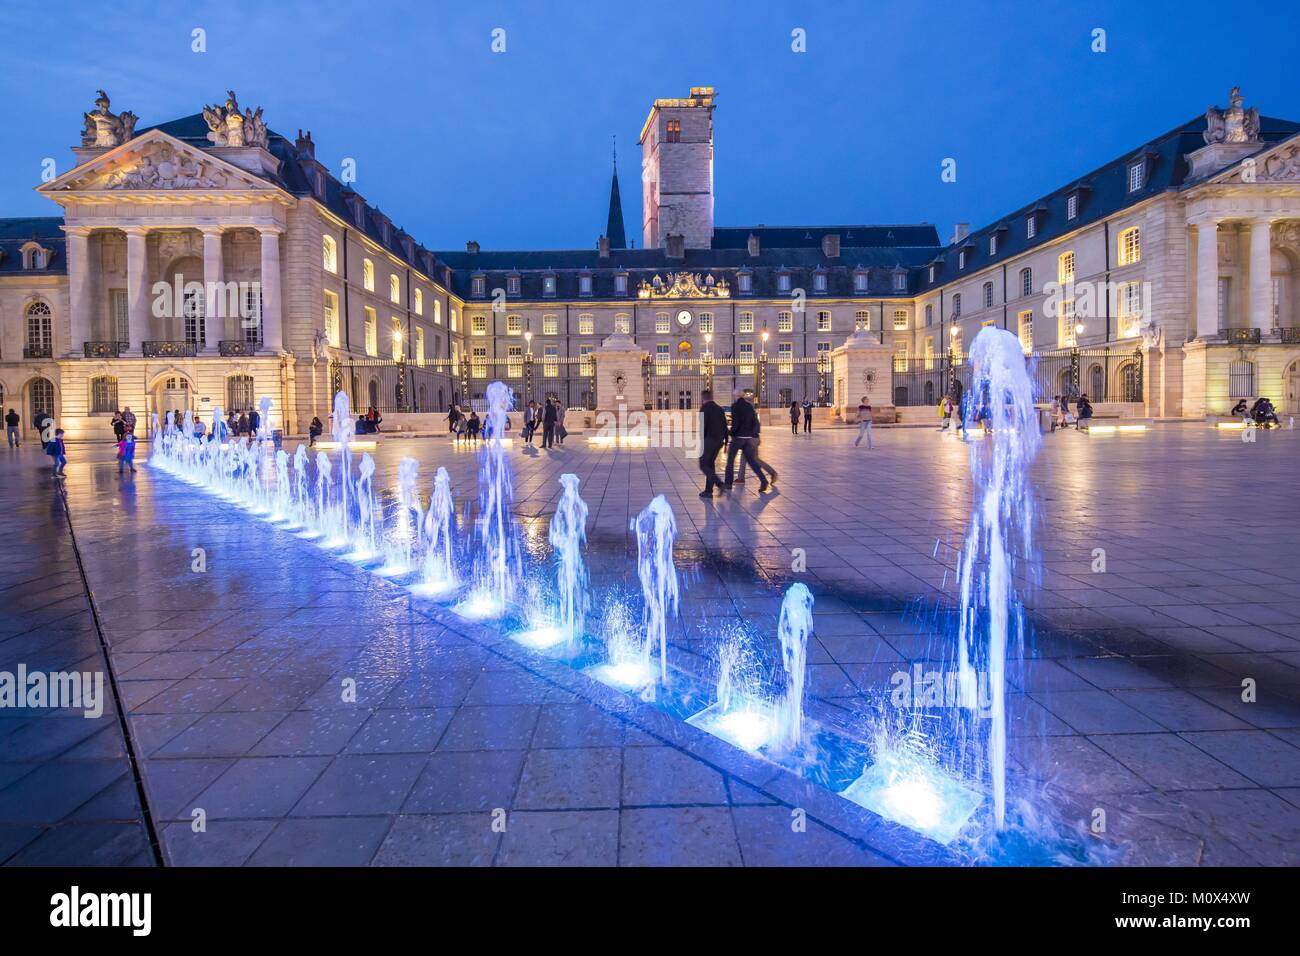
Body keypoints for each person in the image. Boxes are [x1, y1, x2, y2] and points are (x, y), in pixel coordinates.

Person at [724, 389, 769, 493]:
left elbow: (736, 423)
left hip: (738, 437)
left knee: (730, 461)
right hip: (748, 438)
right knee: (752, 461)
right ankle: (763, 480)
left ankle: (728, 483)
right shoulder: (749, 406)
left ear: (736, 396)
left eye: (734, 395)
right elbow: (754, 420)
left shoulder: (735, 406)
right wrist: (751, 434)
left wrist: (731, 433)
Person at [698, 388, 729, 498]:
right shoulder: (719, 409)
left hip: (709, 440)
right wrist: (726, 442)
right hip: (719, 441)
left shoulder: (704, 409)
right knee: (710, 465)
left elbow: (702, 427)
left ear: (703, 398)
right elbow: (725, 426)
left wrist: (701, 443)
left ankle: (720, 484)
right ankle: (708, 491)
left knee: (703, 465)